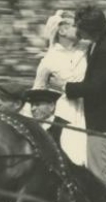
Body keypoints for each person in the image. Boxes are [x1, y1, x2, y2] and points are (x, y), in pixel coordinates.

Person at [49, 5, 106, 186]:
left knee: (98, 174)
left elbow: (95, 88)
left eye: (80, 29)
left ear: (93, 32)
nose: (77, 31)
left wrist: (64, 86)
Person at [33, 10, 88, 166]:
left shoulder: (88, 50)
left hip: (92, 112)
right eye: (76, 25)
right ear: (62, 30)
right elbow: (37, 92)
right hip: (65, 114)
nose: (81, 28)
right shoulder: (49, 60)